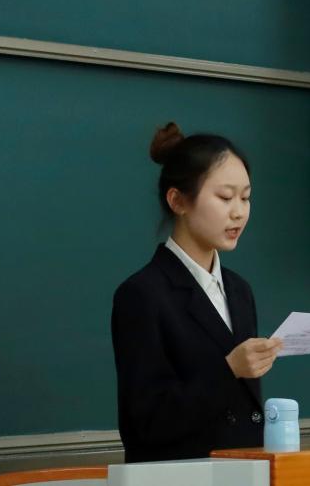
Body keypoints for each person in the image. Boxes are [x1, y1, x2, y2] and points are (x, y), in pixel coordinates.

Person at [111, 122, 283, 463]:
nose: (239, 211)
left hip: (245, 471)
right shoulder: (142, 294)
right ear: (178, 200)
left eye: (246, 197)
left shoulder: (239, 290)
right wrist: (229, 369)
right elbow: (145, 423)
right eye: (225, 197)